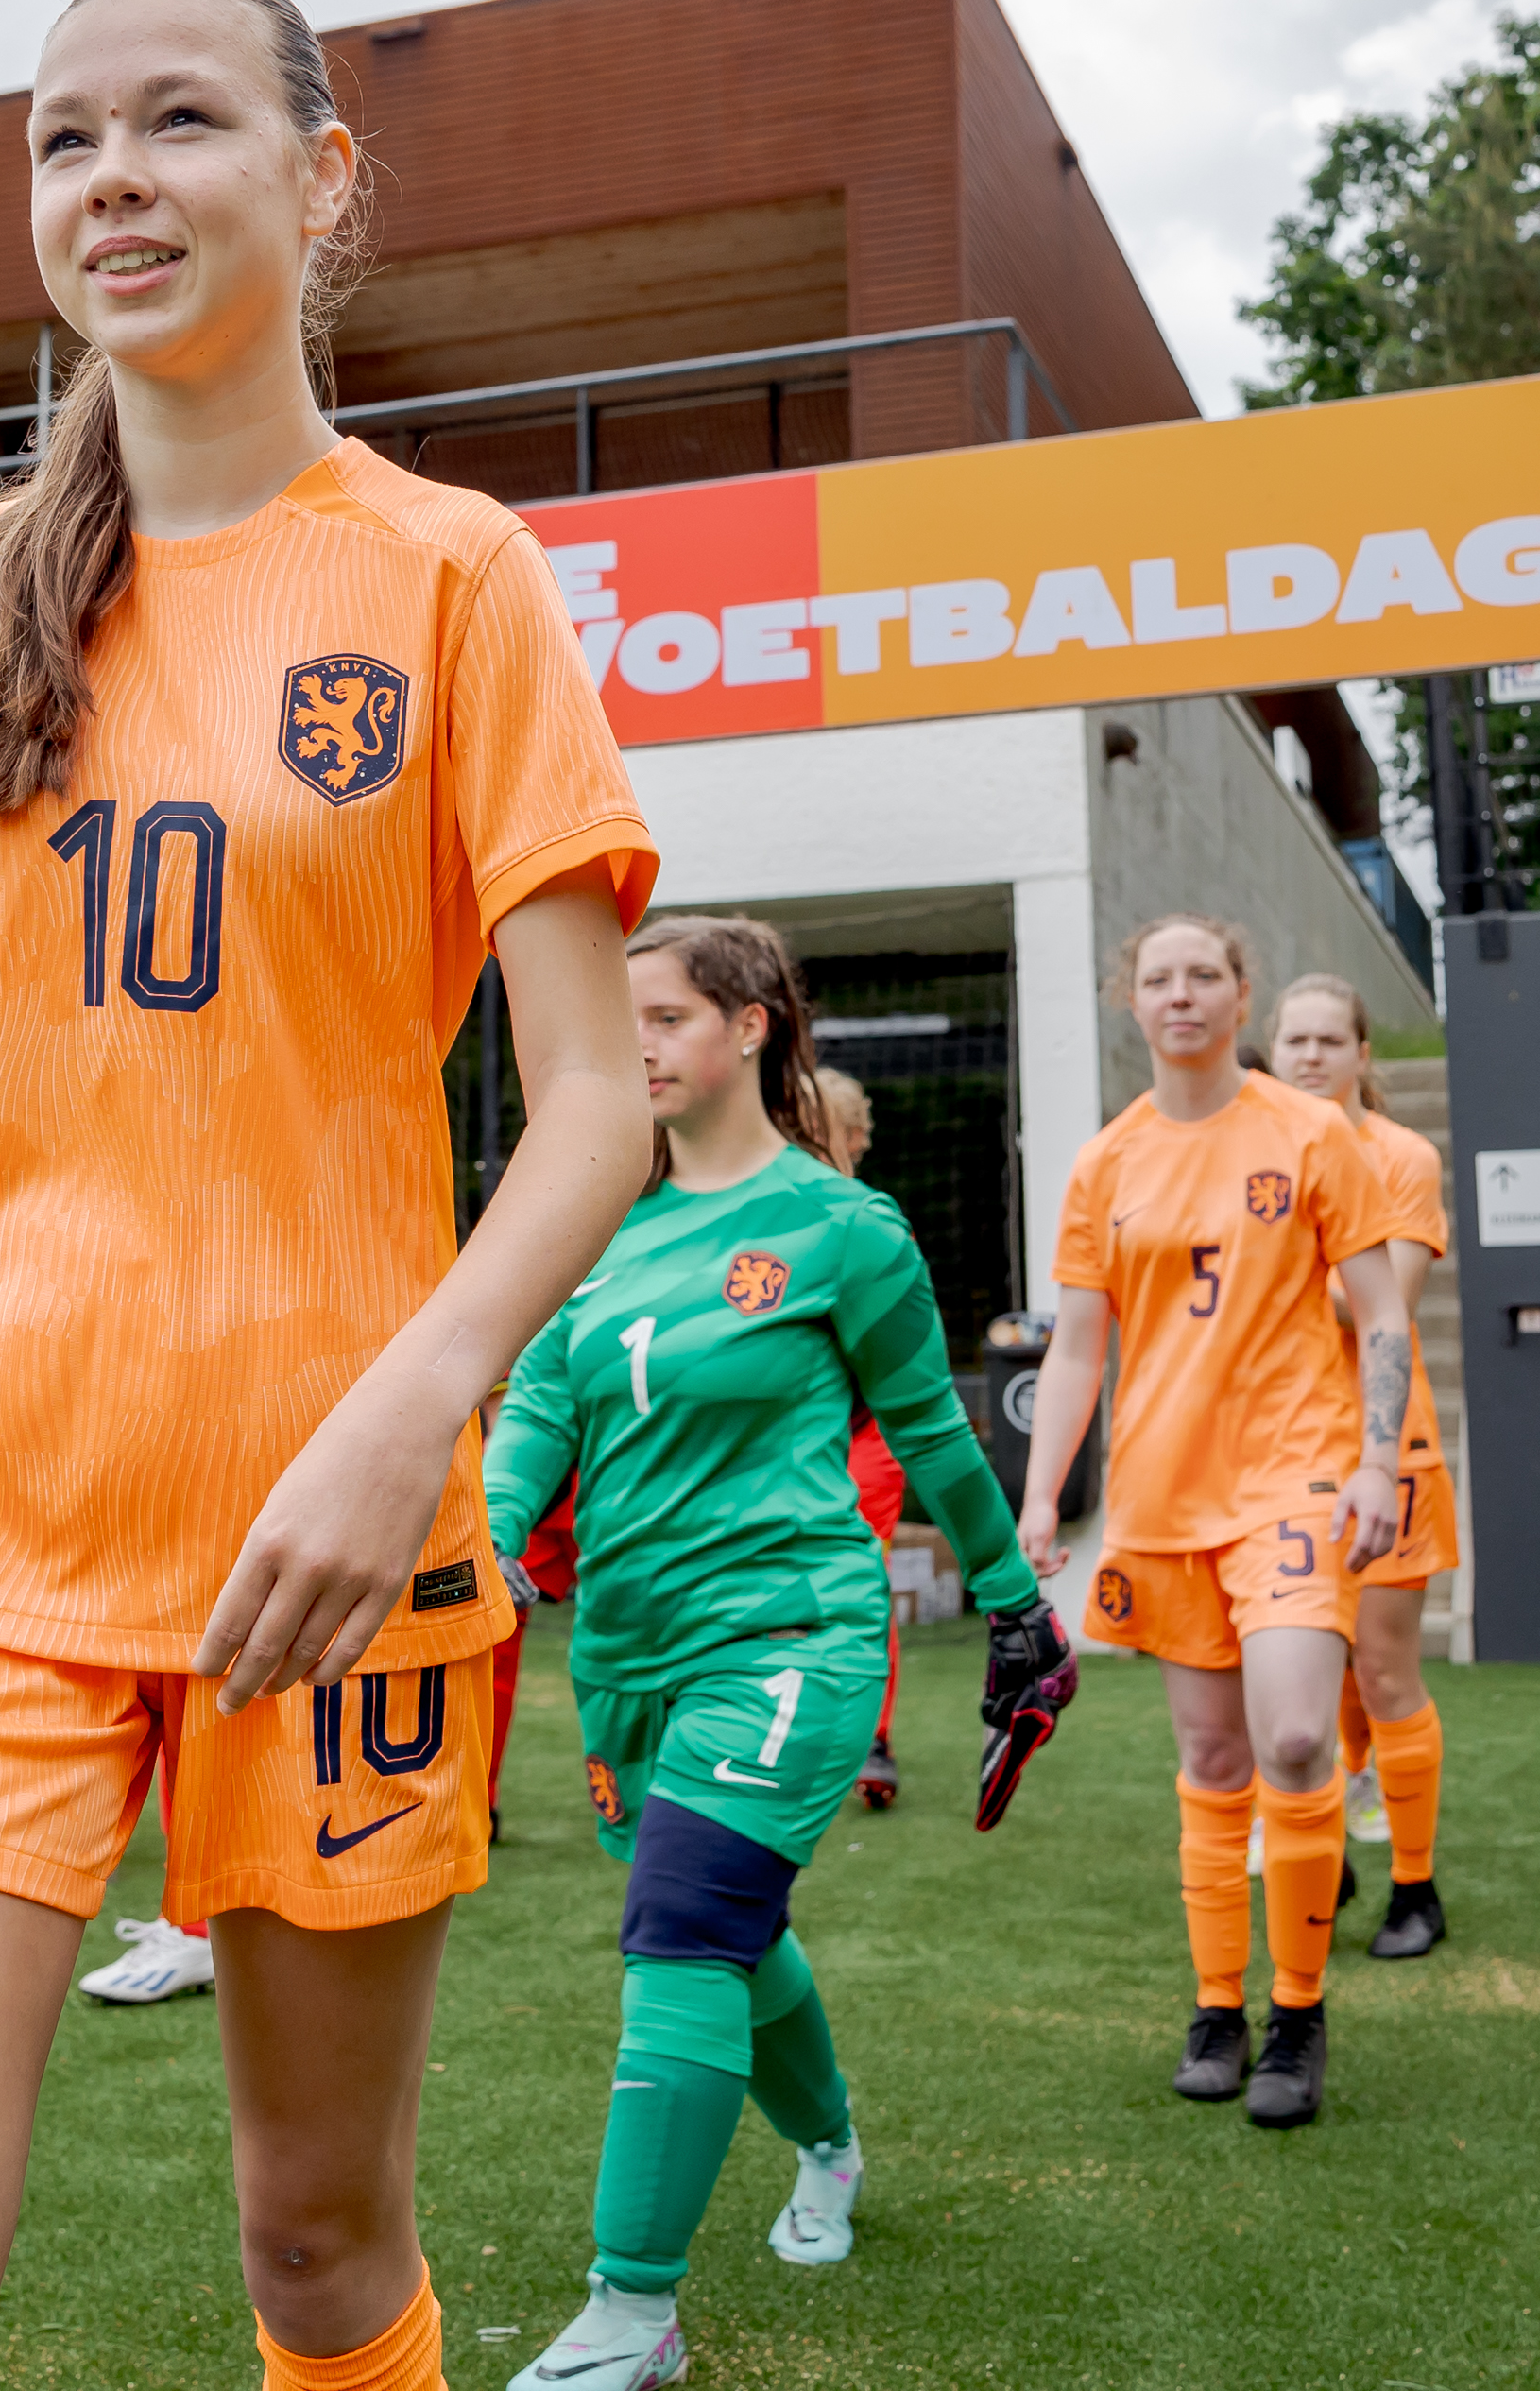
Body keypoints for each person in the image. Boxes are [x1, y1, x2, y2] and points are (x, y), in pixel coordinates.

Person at [0, 0, 661, 2391]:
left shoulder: (449, 576)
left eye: (177, 121)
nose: (108, 178)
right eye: (60, 137)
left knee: (317, 2246)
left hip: (327, 1558)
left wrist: (403, 1407)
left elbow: (595, 1099)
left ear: (319, 182)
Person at [485, 917, 1075, 2391]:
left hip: (792, 1630)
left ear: (751, 1028)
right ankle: (828, 2142)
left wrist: (1013, 1603)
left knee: (680, 1927)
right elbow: (543, 1404)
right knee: (731, 1927)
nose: (636, 1045)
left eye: (666, 1016)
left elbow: (932, 1432)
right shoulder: (590, 1221)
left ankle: (633, 2305)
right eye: (621, 1022)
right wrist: (489, 1536)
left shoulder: (840, 1229)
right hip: (622, 1654)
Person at [1018, 915, 1410, 2130]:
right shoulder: (1104, 1163)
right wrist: (1040, 1496)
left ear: (1241, 994)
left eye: (1203, 974)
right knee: (1214, 1759)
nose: (1180, 994)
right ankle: (1216, 2006)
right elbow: (1078, 1346)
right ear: (1128, 1002)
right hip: (1159, 1494)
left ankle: (1298, 2009)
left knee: (1295, 1738)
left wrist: (1378, 1459)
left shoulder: (1309, 1131)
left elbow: (1383, 1313)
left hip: (1294, 1474)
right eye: (1157, 978)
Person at [1268, 971, 1454, 1960]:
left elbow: (1371, 1304)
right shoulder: (1255, 1148)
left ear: (1362, 1053)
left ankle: (1415, 1885)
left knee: (1381, 1668)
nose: (1308, 1056)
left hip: (1389, 1449)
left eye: (1327, 1040)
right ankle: (1323, 1845)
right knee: (1315, 1672)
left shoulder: (1400, 1156)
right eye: (1292, 1040)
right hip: (1283, 1454)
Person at [809, 1066, 912, 1811]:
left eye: (823, 1128)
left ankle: (871, 1738)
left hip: (867, 1436)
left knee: (861, 1582)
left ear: (855, 1139)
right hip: (791, 1440)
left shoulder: (872, 1224)